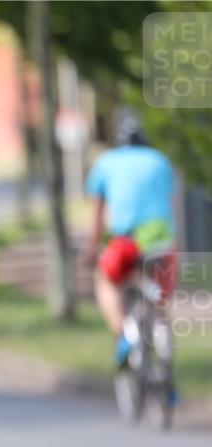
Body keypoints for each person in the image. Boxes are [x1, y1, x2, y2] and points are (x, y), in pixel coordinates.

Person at [84, 117, 177, 372]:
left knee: (105, 280)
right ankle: (167, 369)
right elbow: (170, 202)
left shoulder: (106, 163)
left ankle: (123, 334)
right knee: (159, 303)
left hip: (127, 241)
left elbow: (97, 215)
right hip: (161, 240)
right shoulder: (160, 161)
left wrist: (91, 248)